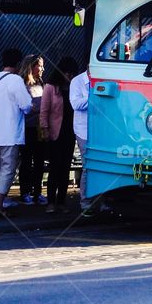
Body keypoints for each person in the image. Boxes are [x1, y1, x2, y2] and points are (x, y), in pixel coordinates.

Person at [0, 48, 32, 216]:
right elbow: (26, 106)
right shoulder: (16, 81)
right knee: (8, 169)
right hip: (9, 133)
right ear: (18, 64)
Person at [40, 56, 78, 214]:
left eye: (71, 74)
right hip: (55, 132)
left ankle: (61, 201)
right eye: (67, 73)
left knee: (65, 168)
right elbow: (44, 111)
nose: (69, 76)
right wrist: (45, 129)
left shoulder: (74, 87)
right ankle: (50, 202)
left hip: (70, 132)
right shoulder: (50, 87)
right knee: (55, 167)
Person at [17, 54, 46, 205]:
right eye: (40, 65)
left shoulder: (41, 82)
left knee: (40, 161)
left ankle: (38, 192)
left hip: (39, 128)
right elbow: (28, 107)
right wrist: (41, 107)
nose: (42, 69)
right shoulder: (22, 84)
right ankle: (25, 192)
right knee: (27, 160)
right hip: (27, 127)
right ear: (31, 66)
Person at [69, 68, 93, 215]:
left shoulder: (105, 78)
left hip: (102, 131)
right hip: (84, 130)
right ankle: (85, 202)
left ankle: (100, 201)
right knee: (88, 166)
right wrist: (95, 98)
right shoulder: (77, 81)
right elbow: (76, 104)